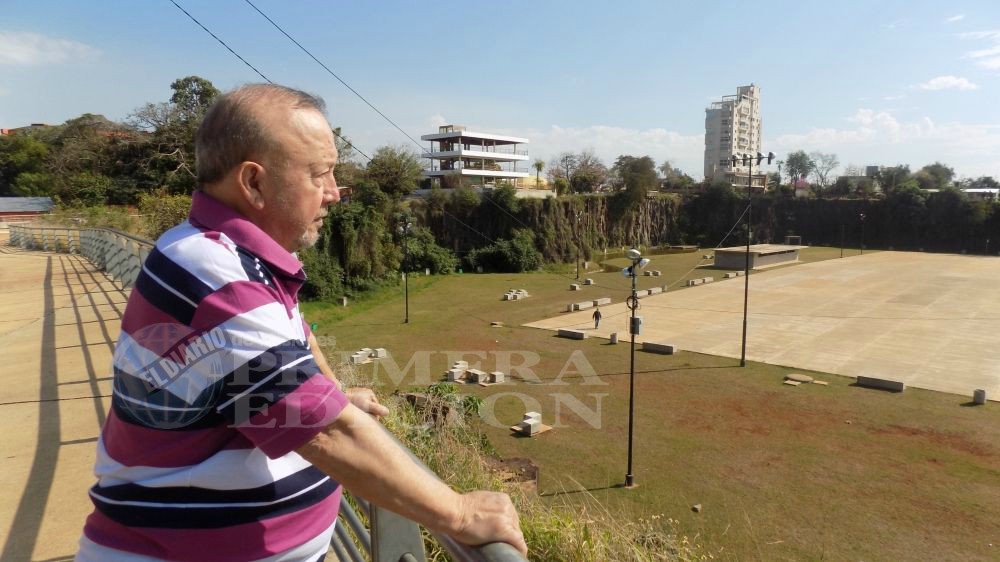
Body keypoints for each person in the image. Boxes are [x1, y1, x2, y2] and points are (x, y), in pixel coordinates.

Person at [76, 84, 526, 562]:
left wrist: (330, 393)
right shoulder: (216, 275)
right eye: (320, 174)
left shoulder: (224, 254)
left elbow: (295, 337)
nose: (334, 192)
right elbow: (325, 433)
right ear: (254, 183)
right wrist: (459, 514)